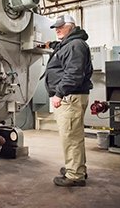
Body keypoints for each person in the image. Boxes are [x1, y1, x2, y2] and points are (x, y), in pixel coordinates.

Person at [44, 14, 93, 187]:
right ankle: (77, 168)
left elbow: (73, 74)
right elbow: (61, 48)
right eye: (56, 27)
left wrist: (59, 94)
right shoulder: (70, 44)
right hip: (70, 97)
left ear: (71, 26)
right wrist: (50, 45)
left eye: (61, 26)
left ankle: (75, 176)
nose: (57, 29)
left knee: (71, 137)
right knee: (74, 136)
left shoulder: (75, 45)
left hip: (69, 97)